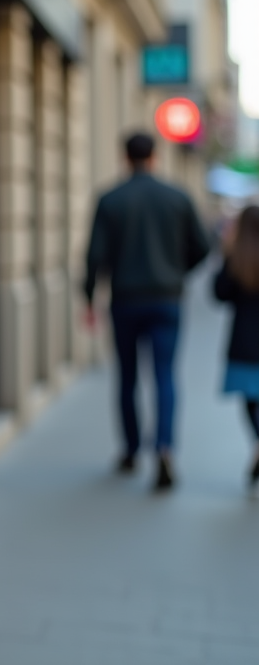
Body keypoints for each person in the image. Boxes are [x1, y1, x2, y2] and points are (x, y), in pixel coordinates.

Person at [84, 132, 210, 491]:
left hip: (125, 299)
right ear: (155, 157)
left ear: (125, 158)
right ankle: (166, 447)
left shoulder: (110, 199)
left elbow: (94, 255)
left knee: (127, 377)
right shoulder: (177, 197)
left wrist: (90, 298)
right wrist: (175, 272)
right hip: (167, 299)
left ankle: (130, 449)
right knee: (165, 375)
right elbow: (202, 247)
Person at [212, 205, 259, 494]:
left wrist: (226, 252)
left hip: (245, 343)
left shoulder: (238, 258)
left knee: (251, 401)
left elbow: (218, 294)